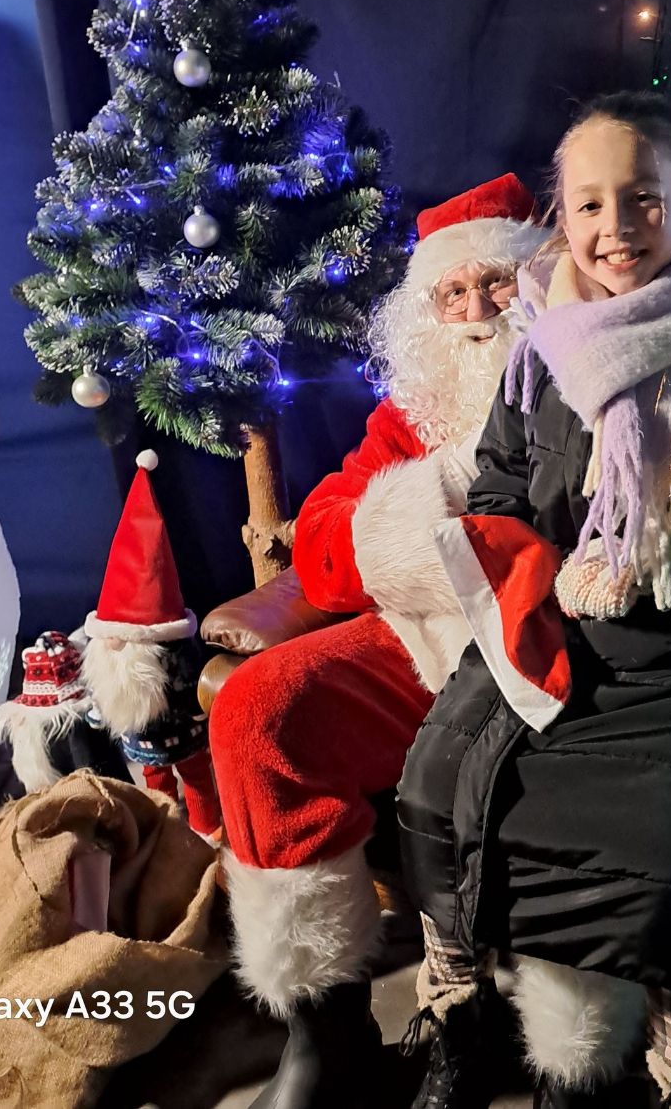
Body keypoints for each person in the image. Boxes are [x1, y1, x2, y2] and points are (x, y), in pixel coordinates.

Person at [397, 93, 671, 1108]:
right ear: (562, 214)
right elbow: (504, 483)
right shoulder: (538, 347)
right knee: (436, 781)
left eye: (641, 199)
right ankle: (465, 1017)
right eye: (589, 204)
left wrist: (650, 591)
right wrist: (540, 573)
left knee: (658, 843)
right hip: (553, 631)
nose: (613, 227)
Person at [208, 173, 544, 1109]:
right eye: (453, 292)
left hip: (550, 655)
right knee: (256, 710)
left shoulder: (593, 379)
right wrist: (432, 509)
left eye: (498, 286)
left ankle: (532, 1025)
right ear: (427, 312)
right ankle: (328, 1035)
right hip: (425, 649)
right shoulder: (413, 412)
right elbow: (322, 545)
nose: (476, 311)